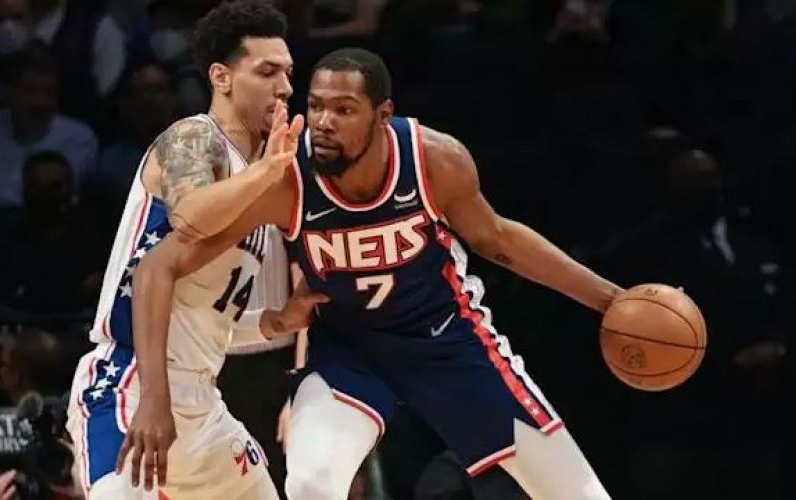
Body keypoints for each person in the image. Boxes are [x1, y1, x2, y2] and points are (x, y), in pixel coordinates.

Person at [135, 47, 622, 499]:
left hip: (447, 341)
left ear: (383, 115)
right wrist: (154, 395)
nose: (324, 122)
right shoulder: (285, 178)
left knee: (579, 494)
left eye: (344, 110)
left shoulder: (434, 159)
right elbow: (161, 263)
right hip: (350, 353)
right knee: (310, 484)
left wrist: (610, 300)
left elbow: (499, 240)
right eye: (316, 106)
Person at [64, 2, 320, 499]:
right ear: (221, 77)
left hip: (203, 400)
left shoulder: (256, 172)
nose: (285, 87)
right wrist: (268, 174)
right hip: (132, 383)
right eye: (267, 72)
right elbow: (190, 215)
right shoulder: (193, 138)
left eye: (288, 73)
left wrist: (275, 321)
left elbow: (206, 320)